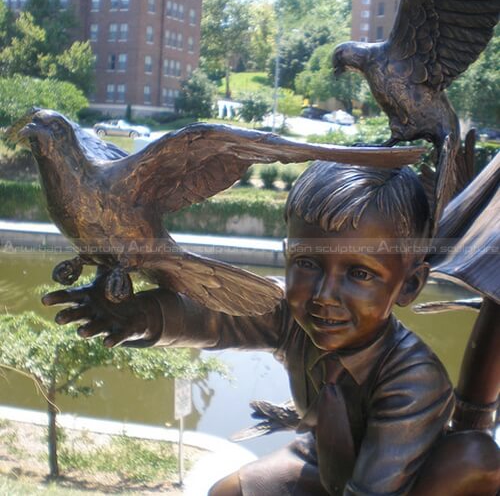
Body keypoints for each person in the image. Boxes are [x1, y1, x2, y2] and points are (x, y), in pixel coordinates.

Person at [43, 162, 485, 495]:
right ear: (287, 255)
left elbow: (371, 490)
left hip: (394, 481)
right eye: (307, 265)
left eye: (360, 274)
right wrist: (137, 314)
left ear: (408, 285)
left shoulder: (414, 380)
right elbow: (215, 316)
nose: (324, 296)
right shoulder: (293, 316)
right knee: (226, 493)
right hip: (321, 457)